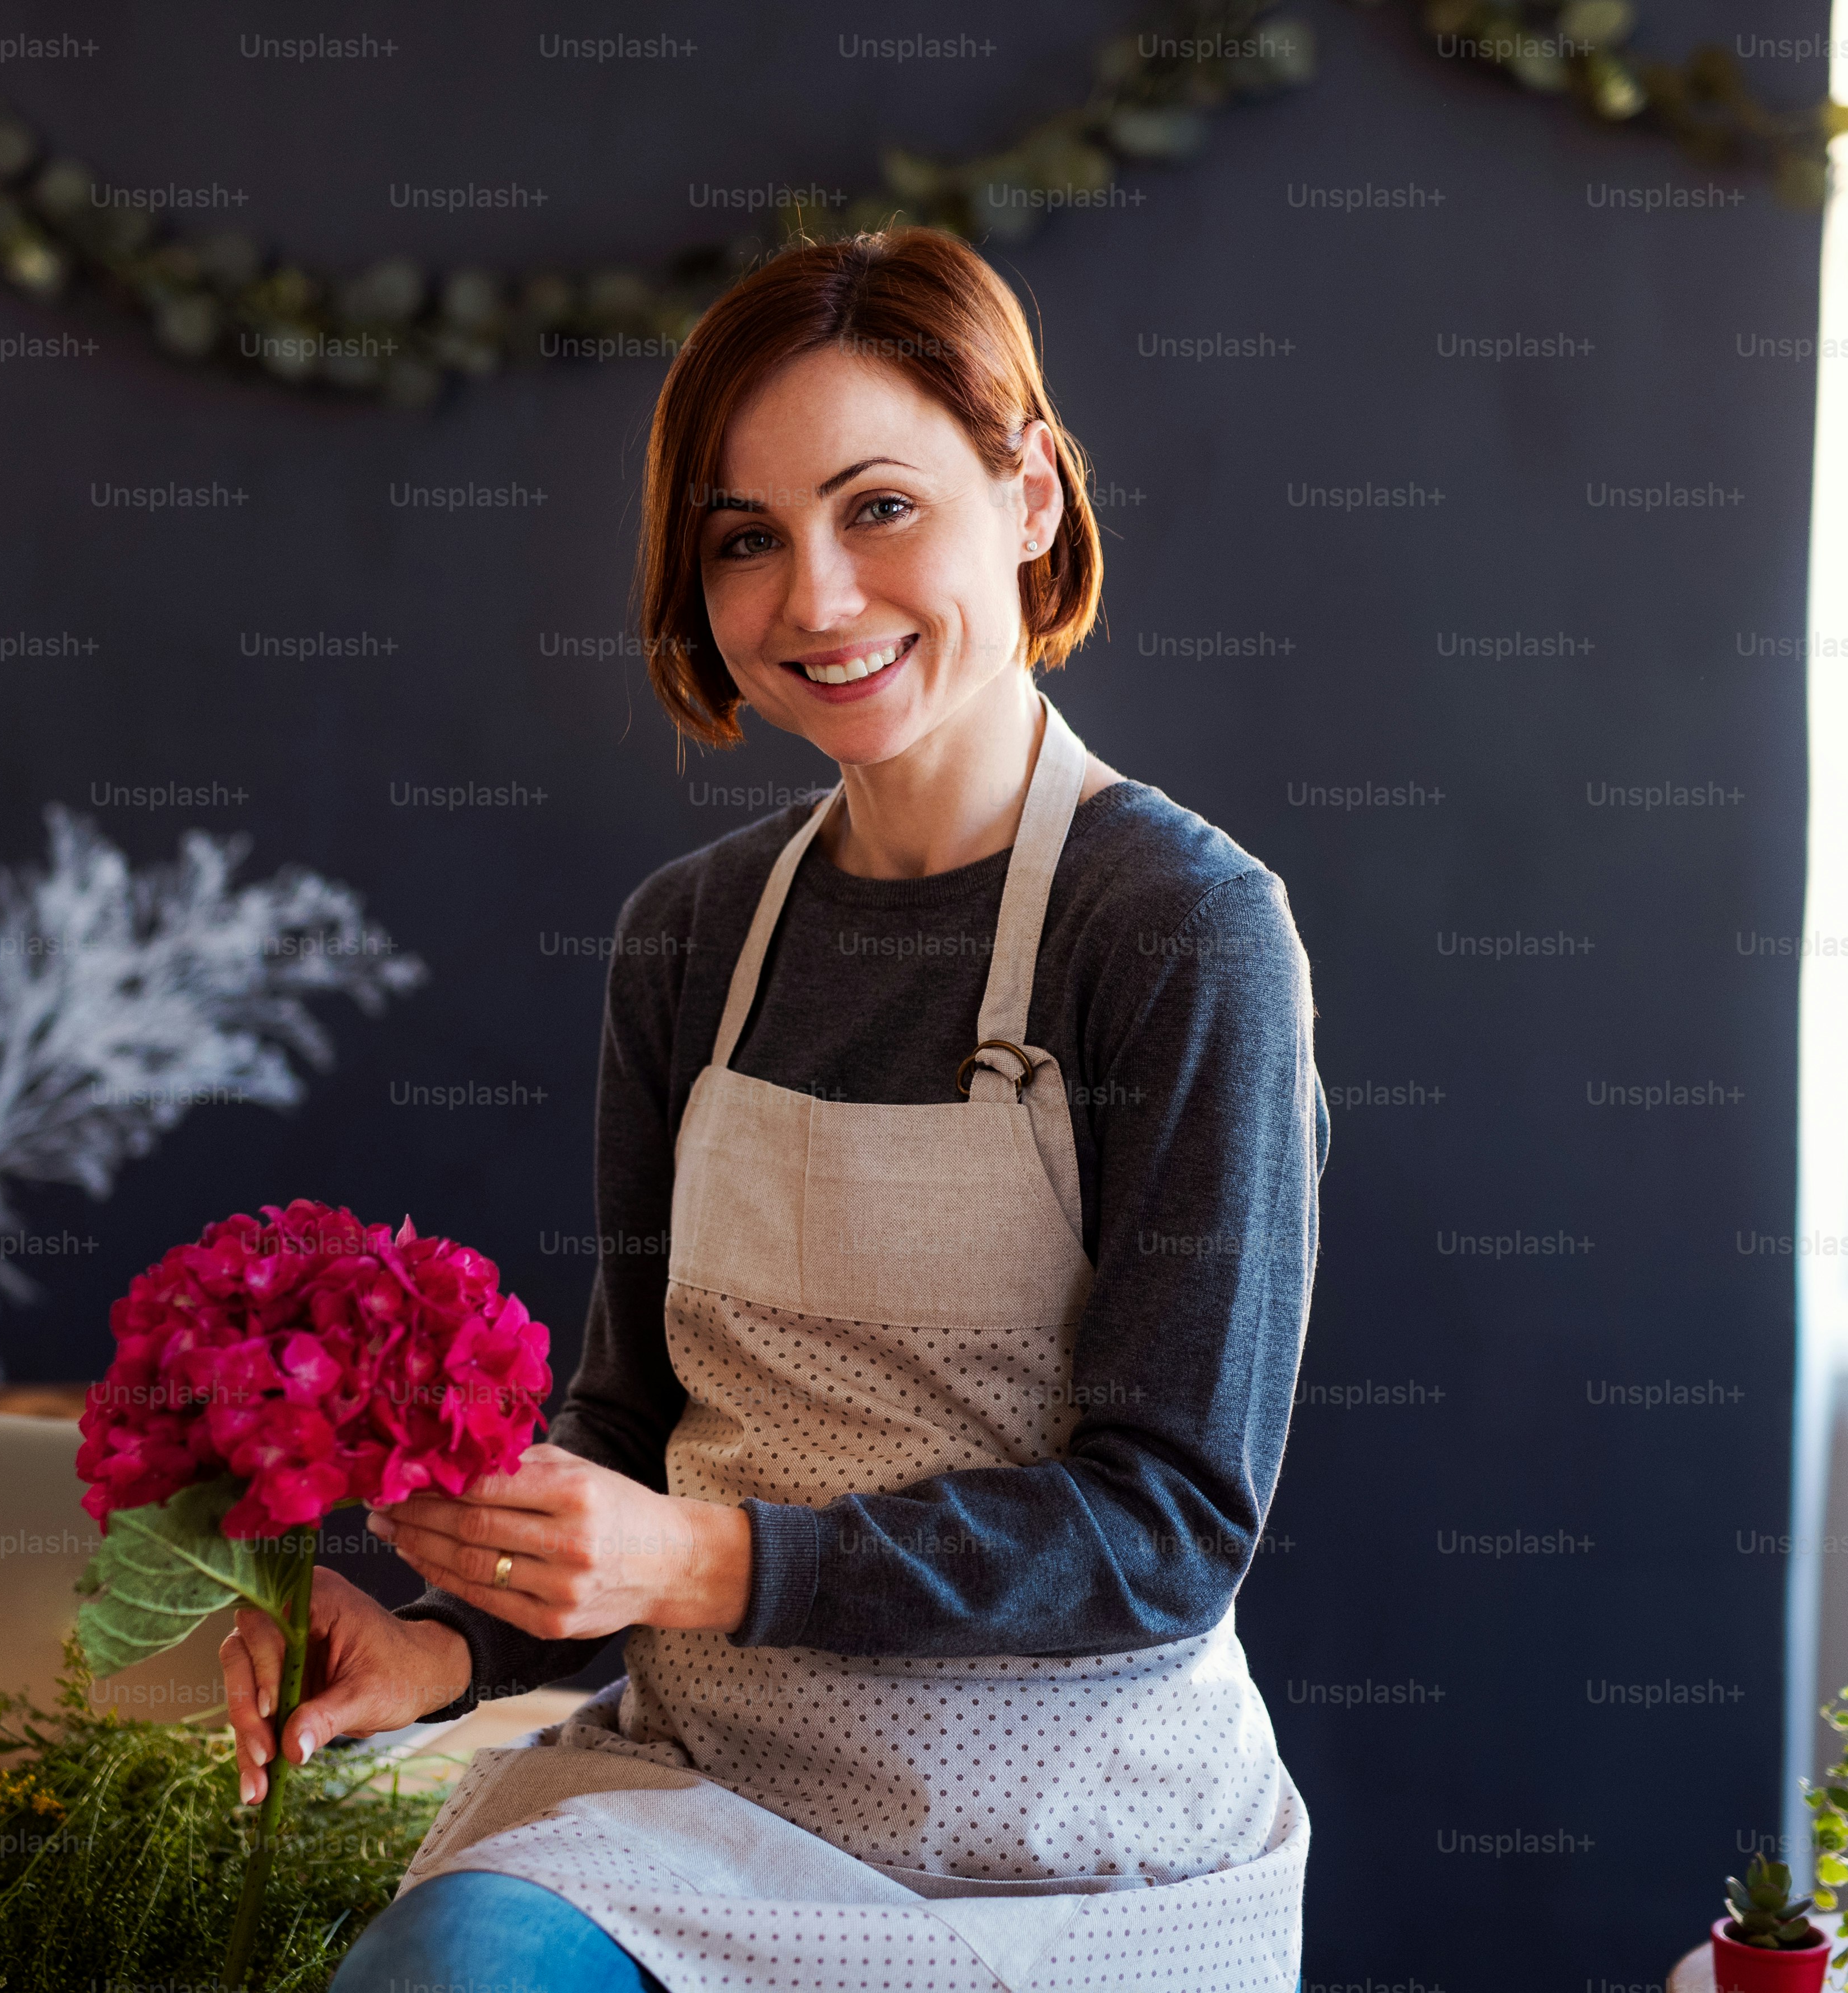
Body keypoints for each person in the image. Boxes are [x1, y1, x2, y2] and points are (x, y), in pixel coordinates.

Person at [220, 226, 1327, 1993]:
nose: (813, 598)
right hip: (708, 1802)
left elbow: (1168, 1522)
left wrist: (705, 1558)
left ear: (1026, 492)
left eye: (876, 506)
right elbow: (632, 1413)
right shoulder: (693, 937)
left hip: (1064, 1856)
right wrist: (433, 1645)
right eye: (746, 539)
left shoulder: (1181, 928)